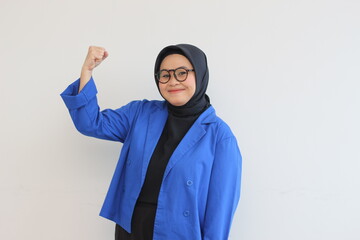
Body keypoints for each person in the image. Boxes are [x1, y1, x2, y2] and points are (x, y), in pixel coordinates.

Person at [60, 44, 242, 240]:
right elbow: (91, 123)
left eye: (182, 73)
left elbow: (220, 213)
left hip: (177, 234)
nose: (173, 81)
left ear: (200, 73)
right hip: (131, 229)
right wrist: (87, 71)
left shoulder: (220, 138)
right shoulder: (140, 114)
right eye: (165, 74)